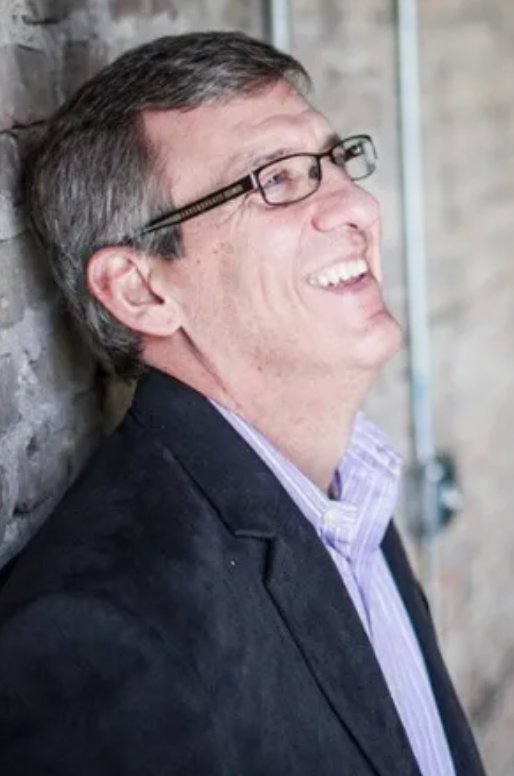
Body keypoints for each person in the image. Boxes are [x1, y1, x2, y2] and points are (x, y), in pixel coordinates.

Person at [0, 31, 485, 776]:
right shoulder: (99, 640)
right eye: (276, 180)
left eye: (336, 161)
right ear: (143, 289)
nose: (354, 204)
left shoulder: (346, 493)